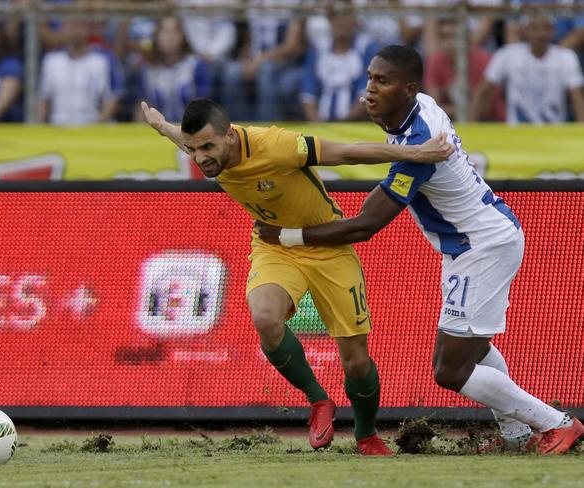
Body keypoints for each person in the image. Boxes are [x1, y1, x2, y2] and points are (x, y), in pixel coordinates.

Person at [257, 44, 584, 455]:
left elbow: (365, 226)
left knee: (450, 370)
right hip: (474, 243)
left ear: (409, 88)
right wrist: (380, 114)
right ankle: (518, 435)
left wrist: (287, 236)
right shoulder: (417, 111)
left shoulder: (420, 142)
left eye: (383, 81)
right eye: (371, 79)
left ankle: (558, 423)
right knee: (476, 347)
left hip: (482, 246)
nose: (371, 89)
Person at [140, 97, 453, 455]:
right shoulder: (206, 148)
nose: (200, 158)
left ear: (229, 136)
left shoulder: (277, 146)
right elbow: (185, 137)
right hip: (274, 245)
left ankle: (366, 435)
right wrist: (161, 126)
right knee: (265, 318)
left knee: (356, 359)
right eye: (193, 150)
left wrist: (419, 153)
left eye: (207, 147)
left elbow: (347, 153)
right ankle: (319, 401)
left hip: (327, 244)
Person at [472, 15, 584, 124]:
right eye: (534, 28)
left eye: (545, 28)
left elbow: (578, 101)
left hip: (554, 133)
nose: (540, 34)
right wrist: (470, 127)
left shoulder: (566, 57)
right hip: (517, 134)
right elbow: (483, 94)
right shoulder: (508, 54)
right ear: (525, 30)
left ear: (553, 30)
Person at [38, 20, 124, 125]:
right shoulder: (51, 60)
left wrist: (99, 123)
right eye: (70, 26)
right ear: (63, 30)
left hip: (93, 125)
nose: (75, 32)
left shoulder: (103, 60)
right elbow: (43, 98)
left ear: (88, 29)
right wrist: (41, 124)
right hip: (58, 126)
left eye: (79, 26)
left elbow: (113, 97)